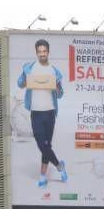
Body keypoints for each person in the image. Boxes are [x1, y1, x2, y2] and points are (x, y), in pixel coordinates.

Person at [17, 38, 66, 187]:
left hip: (50, 112)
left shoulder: (54, 71)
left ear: (48, 52)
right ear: (36, 53)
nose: (42, 54)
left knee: (47, 144)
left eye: (44, 51)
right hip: (36, 112)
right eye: (39, 52)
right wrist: (26, 79)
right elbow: (20, 84)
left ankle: (43, 175)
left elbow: (60, 94)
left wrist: (57, 85)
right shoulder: (29, 68)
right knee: (42, 144)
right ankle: (59, 166)